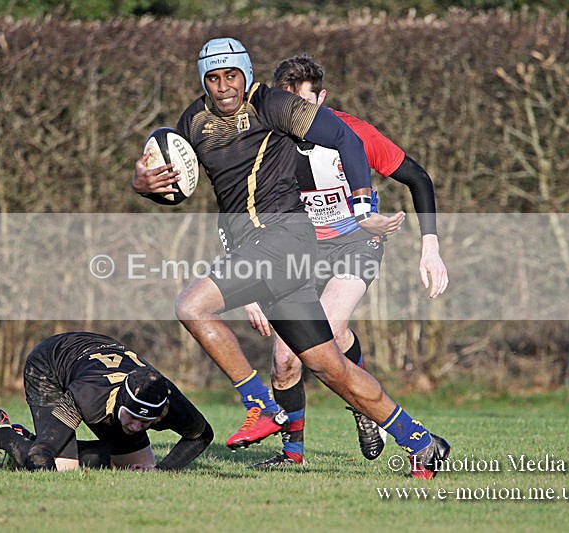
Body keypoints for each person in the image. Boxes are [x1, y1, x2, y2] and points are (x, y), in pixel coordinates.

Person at [133, 37, 450, 478]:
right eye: (213, 77)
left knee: (191, 305)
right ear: (202, 81)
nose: (224, 86)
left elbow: (343, 137)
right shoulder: (194, 121)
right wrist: (144, 184)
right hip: (267, 249)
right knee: (328, 365)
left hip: (283, 239)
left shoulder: (273, 105)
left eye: (231, 76)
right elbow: (173, 183)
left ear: (247, 74)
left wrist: (362, 203)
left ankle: (261, 405)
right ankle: (421, 441)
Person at [244, 54, 448, 468]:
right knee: (285, 360)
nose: (294, 116)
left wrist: (431, 248)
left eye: (303, 105)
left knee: (330, 335)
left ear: (322, 98)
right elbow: (240, 210)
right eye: (287, 106)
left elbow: (418, 177)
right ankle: (292, 456)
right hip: (298, 252)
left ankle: (364, 404)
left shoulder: (354, 133)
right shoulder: (266, 142)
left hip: (356, 244)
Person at [0, 332, 214, 471]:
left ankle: (23, 437)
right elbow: (44, 452)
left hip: (94, 355)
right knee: (60, 467)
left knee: (141, 469)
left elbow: (202, 435)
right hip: (49, 366)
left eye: (145, 421)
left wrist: (163, 470)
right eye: (131, 417)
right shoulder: (88, 396)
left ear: (159, 415)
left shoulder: (168, 400)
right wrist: (38, 454)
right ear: (118, 402)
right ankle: (0, 434)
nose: (135, 426)